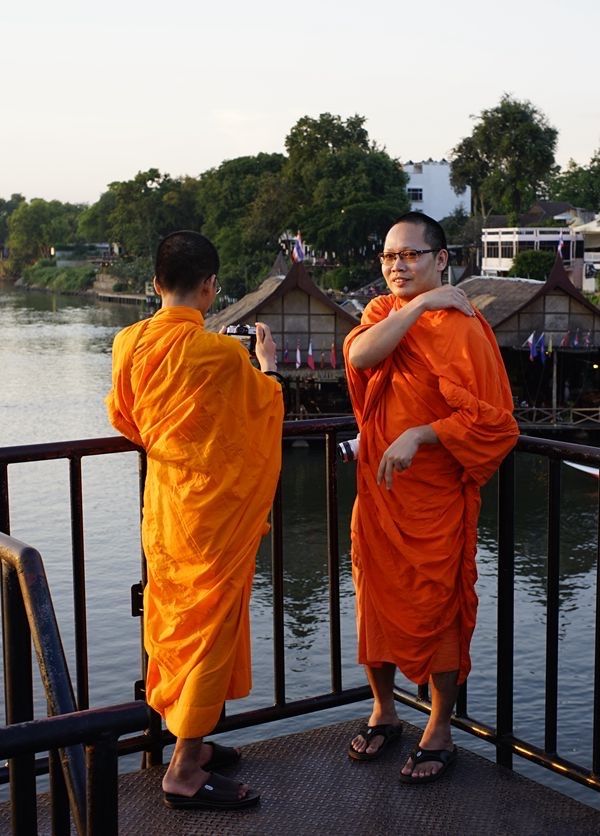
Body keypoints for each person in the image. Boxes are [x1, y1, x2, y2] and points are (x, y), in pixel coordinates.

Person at [106, 230, 284, 810]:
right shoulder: (221, 356)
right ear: (210, 288)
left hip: (165, 509)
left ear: (155, 285)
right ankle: (183, 769)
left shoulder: (127, 344)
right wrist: (269, 370)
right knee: (207, 633)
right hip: (211, 518)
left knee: (175, 623)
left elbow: (125, 419)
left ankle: (189, 742)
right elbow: (259, 417)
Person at [343, 212, 518, 783]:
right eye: (390, 257)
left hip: (435, 498)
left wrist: (422, 434)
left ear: (441, 258)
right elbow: (361, 358)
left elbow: (495, 422)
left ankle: (439, 725)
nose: (398, 266)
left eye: (411, 255)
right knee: (375, 603)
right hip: (379, 495)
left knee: (440, 608)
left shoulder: (465, 330)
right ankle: (384, 710)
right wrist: (419, 305)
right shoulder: (381, 315)